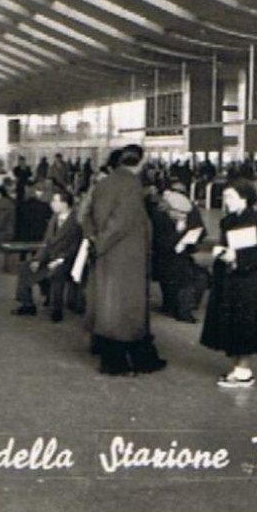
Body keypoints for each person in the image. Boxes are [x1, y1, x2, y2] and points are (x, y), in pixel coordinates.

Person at [83, 144, 167, 376]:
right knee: (126, 310)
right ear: (139, 162)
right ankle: (124, 362)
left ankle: (124, 359)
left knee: (110, 307)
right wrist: (102, 243)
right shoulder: (131, 184)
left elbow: (87, 214)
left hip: (107, 255)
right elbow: (121, 221)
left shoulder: (103, 182)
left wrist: (93, 240)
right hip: (126, 257)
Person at [199, 180, 257, 387]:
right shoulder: (227, 221)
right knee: (234, 325)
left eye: (230, 197)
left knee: (245, 324)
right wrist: (222, 253)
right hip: (230, 280)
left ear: (244, 198)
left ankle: (243, 370)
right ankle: (237, 367)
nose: (226, 201)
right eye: (224, 197)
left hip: (249, 282)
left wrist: (238, 258)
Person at [12, 185, 82, 320]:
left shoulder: (76, 222)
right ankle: (27, 304)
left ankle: (57, 309)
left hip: (66, 261)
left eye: (55, 201)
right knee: (25, 267)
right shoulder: (53, 219)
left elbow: (74, 247)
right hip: (49, 258)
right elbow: (46, 243)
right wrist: (38, 259)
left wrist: (58, 261)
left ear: (65, 203)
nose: (52, 204)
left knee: (57, 272)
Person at [151, 179, 209, 323]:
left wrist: (190, 237)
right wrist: (179, 233)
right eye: (180, 214)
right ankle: (181, 309)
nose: (183, 217)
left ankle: (178, 305)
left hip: (182, 255)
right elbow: (161, 243)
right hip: (164, 258)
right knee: (182, 275)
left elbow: (201, 230)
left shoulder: (190, 211)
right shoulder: (159, 217)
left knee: (190, 275)